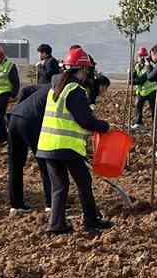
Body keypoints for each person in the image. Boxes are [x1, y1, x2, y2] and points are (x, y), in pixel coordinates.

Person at [37, 47, 113, 235]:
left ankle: (56, 226)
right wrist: (106, 127)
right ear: (82, 70)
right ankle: (90, 222)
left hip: (47, 146)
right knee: (84, 183)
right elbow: (85, 120)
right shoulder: (75, 90)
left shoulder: (56, 87)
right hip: (66, 147)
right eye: (87, 70)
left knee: (59, 187)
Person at [5, 83, 53, 215]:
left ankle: (16, 205)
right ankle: (51, 204)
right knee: (46, 162)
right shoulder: (66, 89)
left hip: (14, 117)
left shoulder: (48, 86)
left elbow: (26, 89)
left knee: (15, 164)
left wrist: (21, 106)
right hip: (30, 122)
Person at [131, 47, 157, 131]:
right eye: (140, 56)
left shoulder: (149, 66)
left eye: (143, 56)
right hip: (141, 91)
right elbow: (131, 80)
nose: (141, 58)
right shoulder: (136, 66)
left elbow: (139, 80)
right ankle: (138, 123)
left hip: (151, 91)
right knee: (138, 106)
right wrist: (131, 72)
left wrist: (133, 80)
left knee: (154, 108)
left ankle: (156, 126)